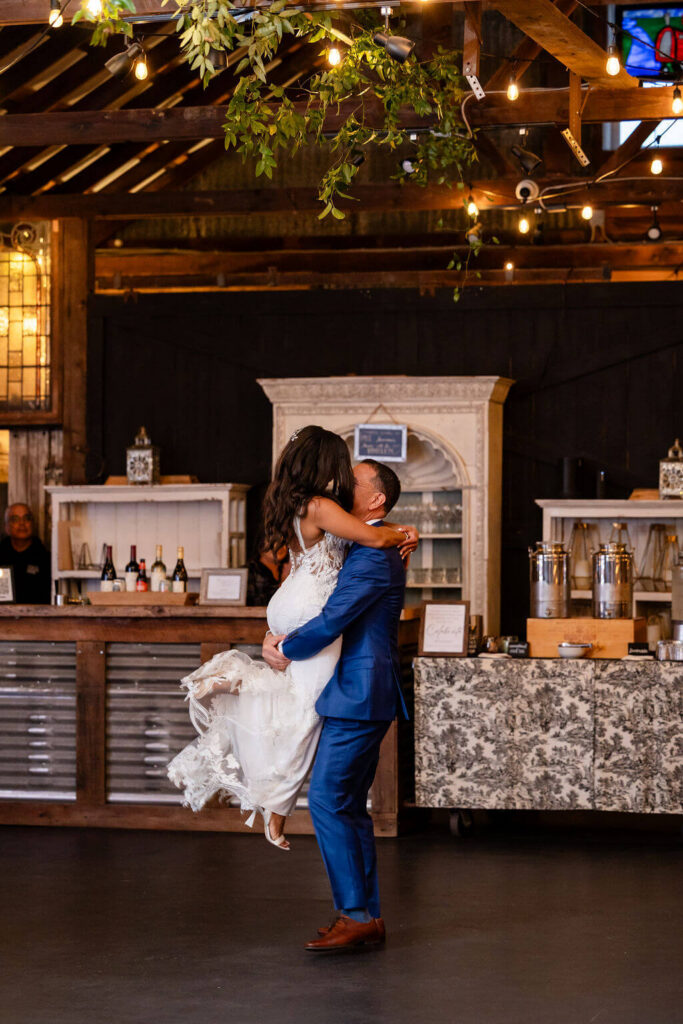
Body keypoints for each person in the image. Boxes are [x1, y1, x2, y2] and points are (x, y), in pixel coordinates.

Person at [167, 426, 417, 851]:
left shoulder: (301, 506)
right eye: (344, 471)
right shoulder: (323, 507)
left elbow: (364, 535)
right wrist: (406, 532)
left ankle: (239, 683)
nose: (345, 481)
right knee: (303, 707)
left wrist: (275, 637)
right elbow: (374, 537)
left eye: (354, 481)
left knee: (291, 693)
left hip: (291, 597)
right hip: (308, 604)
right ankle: (276, 804)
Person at [262, 457, 407, 952]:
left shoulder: (372, 554)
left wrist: (283, 648)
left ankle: (355, 916)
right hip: (352, 691)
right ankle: (365, 914)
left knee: (326, 799)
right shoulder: (358, 543)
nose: (343, 486)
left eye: (355, 481)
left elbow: (332, 620)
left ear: (376, 501)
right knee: (347, 806)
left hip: (359, 692)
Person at [0, 503, 51, 604]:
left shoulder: (45, 557)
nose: (22, 523)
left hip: (37, 616)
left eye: (26, 518)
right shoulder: (1, 555)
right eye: (15, 519)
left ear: (32, 524)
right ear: (6, 527)